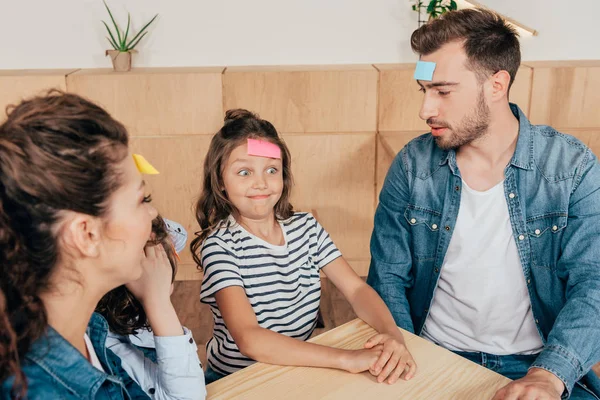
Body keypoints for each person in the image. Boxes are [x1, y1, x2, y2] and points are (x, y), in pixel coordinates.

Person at [367, 8, 600, 400]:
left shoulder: (572, 167)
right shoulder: (411, 164)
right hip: (430, 357)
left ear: (496, 85)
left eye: (442, 91)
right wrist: (404, 349)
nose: (425, 109)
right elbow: (387, 277)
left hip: (538, 363)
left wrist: (549, 375)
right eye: (424, 91)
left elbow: (594, 284)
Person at [191, 109, 416, 385]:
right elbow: (250, 339)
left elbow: (356, 289)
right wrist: (347, 358)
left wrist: (392, 334)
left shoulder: (307, 228)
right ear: (221, 183)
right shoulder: (219, 246)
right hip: (237, 380)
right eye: (244, 172)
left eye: (271, 170)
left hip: (294, 368)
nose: (260, 182)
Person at [0, 91, 157, 399]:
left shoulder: (89, 333)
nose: (152, 213)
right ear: (86, 235)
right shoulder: (37, 391)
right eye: (141, 200)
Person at [96, 216, 206, 400]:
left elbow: (178, 231)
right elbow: (188, 396)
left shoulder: (134, 323)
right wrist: (159, 303)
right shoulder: (111, 350)